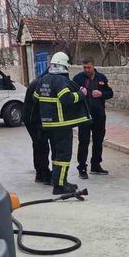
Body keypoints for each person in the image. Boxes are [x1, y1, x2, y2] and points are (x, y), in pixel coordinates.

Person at [34, 52, 90, 194]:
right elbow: (66, 99)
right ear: (64, 65)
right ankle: (59, 186)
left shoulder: (43, 79)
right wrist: (81, 94)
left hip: (48, 124)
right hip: (61, 124)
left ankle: (60, 181)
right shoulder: (60, 80)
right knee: (63, 155)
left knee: (56, 154)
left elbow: (35, 98)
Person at [72, 57, 113, 179]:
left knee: (98, 141)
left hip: (99, 115)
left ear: (93, 66)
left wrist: (102, 94)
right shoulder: (78, 78)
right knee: (83, 141)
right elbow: (71, 95)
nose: (86, 70)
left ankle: (96, 165)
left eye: (88, 67)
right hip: (84, 116)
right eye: (84, 67)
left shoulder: (101, 78)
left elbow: (110, 93)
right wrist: (80, 93)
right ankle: (82, 168)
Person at [22, 72, 50, 184]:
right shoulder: (41, 83)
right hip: (33, 119)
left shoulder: (40, 80)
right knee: (42, 146)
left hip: (31, 117)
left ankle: (40, 173)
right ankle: (43, 173)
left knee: (38, 145)